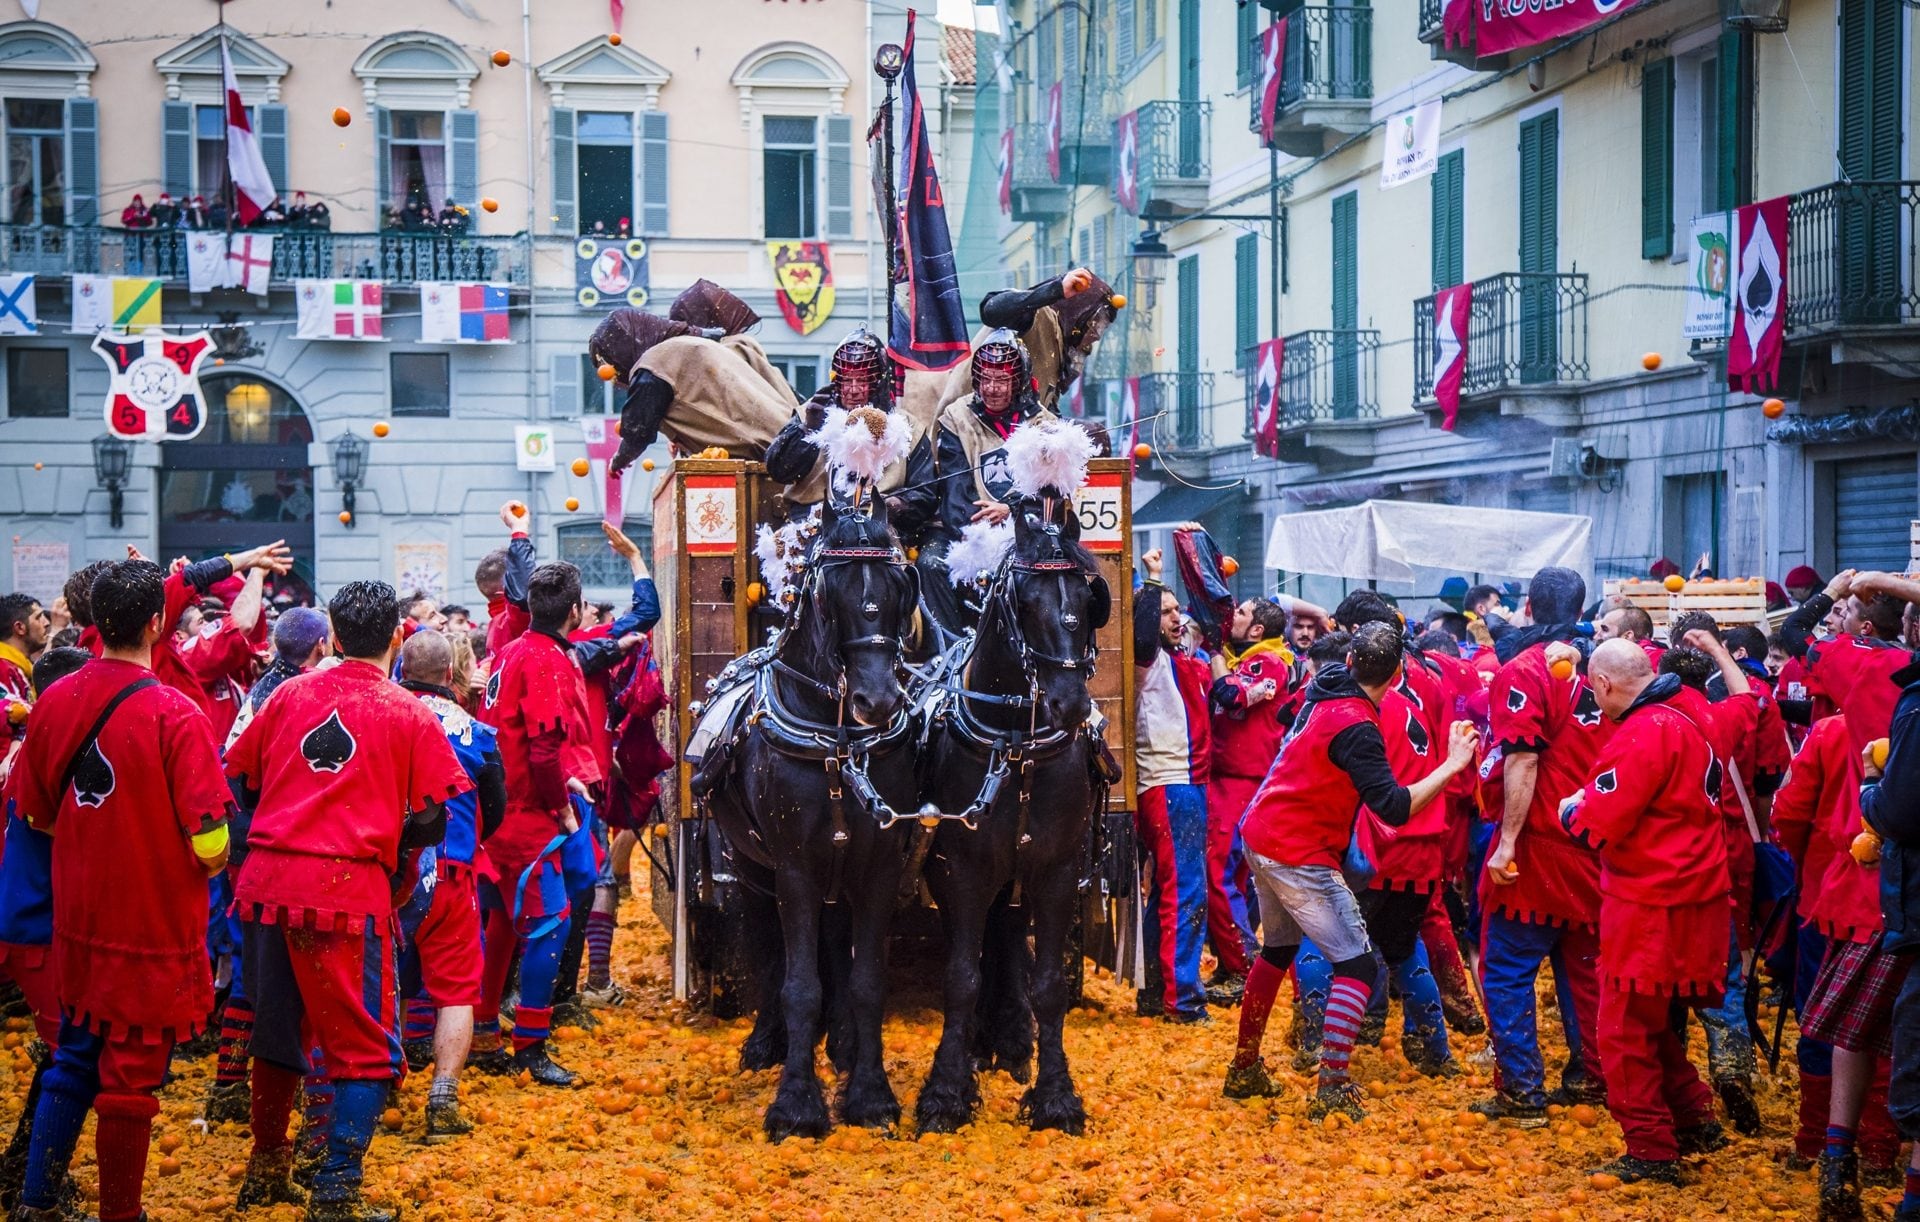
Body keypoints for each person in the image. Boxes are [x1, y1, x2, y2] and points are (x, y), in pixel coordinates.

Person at [226, 581, 471, 1220]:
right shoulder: (409, 712)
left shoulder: (286, 695)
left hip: (265, 886)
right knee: (366, 1044)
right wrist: (395, 873)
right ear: (396, 636)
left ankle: (267, 1169)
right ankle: (334, 1190)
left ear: (333, 635)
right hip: (346, 894)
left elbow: (242, 782)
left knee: (276, 1033)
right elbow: (431, 820)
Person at [7, 560, 233, 1222]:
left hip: (76, 918)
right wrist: (201, 861)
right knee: (131, 1083)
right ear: (158, 623)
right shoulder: (175, 714)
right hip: (151, 927)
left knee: (72, 1061)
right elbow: (212, 842)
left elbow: (36, 813)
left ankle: (36, 1202)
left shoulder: (53, 700)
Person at [1224, 621, 1478, 1118]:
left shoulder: (1321, 691)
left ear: (1350, 663)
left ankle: (1245, 1067)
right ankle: (1332, 1087)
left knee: (1277, 950)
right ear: (1399, 670)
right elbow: (1393, 807)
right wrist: (1451, 766)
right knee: (1358, 964)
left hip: (1261, 830)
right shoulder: (1357, 722)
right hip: (1297, 848)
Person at [1559, 639, 1732, 1185]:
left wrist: (1570, 809)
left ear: (1604, 685)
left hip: (1651, 898)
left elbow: (1600, 820)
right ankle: (1694, 1114)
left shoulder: (1643, 730)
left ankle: (1651, 1149)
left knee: (1621, 1027)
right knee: (1651, 1020)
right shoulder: (1692, 711)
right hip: (1699, 891)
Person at [1477, 566, 1610, 1125]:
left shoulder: (1526, 669)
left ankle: (1523, 1092)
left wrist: (1506, 842)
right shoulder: (1608, 666)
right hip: (1596, 840)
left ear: (1528, 607)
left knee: (1506, 967)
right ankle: (1592, 1076)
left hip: (1540, 844)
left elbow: (1523, 758)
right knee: (1583, 967)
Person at [202, 605, 332, 1125]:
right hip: (258, 843)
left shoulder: (273, 684)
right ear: (321, 646)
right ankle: (241, 1086)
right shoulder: (288, 693)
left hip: (247, 838)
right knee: (267, 972)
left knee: (258, 969)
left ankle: (233, 1085)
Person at [478, 560, 604, 1085]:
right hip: (529, 815)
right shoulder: (548, 659)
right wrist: (562, 808)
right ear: (574, 611)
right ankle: (530, 1045)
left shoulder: (509, 652)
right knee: (551, 923)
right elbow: (545, 749)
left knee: (504, 924)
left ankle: (484, 1028)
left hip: (498, 812)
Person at [396, 629, 506, 1141]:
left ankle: (373, 1089)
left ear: (401, 669)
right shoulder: (478, 733)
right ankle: (442, 1098)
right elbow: (497, 812)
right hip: (452, 876)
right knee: (457, 990)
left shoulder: (386, 714)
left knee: (381, 981)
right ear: (449, 676)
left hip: (388, 873)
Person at [0, 645, 88, 1212]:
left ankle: (20, 1166)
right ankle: (34, 1185)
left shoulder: (23, 748)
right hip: (36, 922)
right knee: (72, 1059)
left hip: (20, 911)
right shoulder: (53, 756)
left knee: (66, 1055)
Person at [900, 330, 1054, 637]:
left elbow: (1051, 491)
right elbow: (956, 494)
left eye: (1002, 379)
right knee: (930, 564)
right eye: (985, 378)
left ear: (1019, 380)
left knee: (1057, 574)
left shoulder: (1044, 424)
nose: (992, 388)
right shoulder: (956, 417)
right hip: (965, 526)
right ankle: (949, 655)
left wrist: (1010, 510)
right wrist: (980, 531)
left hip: (1026, 528)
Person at [1132, 547, 1213, 1024]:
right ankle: (1182, 1001)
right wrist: (1154, 578)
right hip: (1169, 785)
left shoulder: (1183, 660)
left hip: (1184, 786)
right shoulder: (1149, 660)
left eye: (1177, 608)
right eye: (1167, 611)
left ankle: (1155, 991)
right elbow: (1143, 629)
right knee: (1185, 893)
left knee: (1169, 889)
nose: (1176, 616)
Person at [588, 308, 797, 478]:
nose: (615, 377)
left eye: (611, 363)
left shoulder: (653, 365)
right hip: (790, 440)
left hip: (775, 457)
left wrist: (618, 461)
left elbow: (638, 430)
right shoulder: (688, 346)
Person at [1860, 653, 1920, 1222]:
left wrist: (1871, 786)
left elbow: (1898, 812)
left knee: (1886, 1040)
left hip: (1882, 910)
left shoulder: (1914, 701)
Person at [764, 327, 896, 508]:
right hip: (814, 522)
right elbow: (779, 471)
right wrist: (807, 430)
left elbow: (924, 495)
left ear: (880, 383)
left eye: (863, 380)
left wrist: (901, 503)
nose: (854, 390)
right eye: (847, 379)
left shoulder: (905, 425)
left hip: (882, 523)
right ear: (836, 381)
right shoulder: (809, 413)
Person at [0, 593, 50, 783]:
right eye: (38, 617)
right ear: (19, 627)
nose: (46, 623)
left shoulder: (18, 668)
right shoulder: (3, 668)